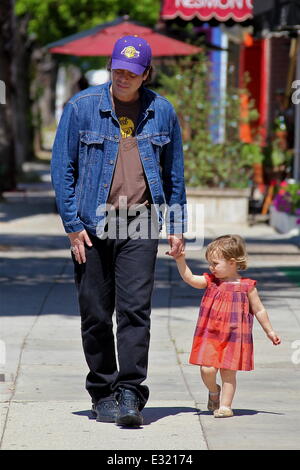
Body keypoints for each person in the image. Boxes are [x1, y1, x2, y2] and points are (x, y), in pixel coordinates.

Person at [51, 35, 186, 427]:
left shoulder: (162, 111)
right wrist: (73, 227)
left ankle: (130, 392)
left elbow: (173, 174)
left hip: (140, 219)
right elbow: (63, 170)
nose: (122, 76)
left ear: (146, 74)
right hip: (93, 222)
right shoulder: (82, 107)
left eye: (131, 71)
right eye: (117, 69)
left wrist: (176, 225)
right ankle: (102, 391)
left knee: (134, 311)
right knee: (94, 311)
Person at [167, 234, 281, 418]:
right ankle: (214, 391)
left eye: (215, 263)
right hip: (211, 334)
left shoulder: (247, 287)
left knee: (229, 373)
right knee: (207, 369)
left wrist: (270, 331)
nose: (211, 267)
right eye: (210, 263)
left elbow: (259, 310)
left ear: (232, 262)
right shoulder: (211, 281)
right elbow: (190, 279)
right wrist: (180, 260)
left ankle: (226, 406)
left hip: (235, 337)